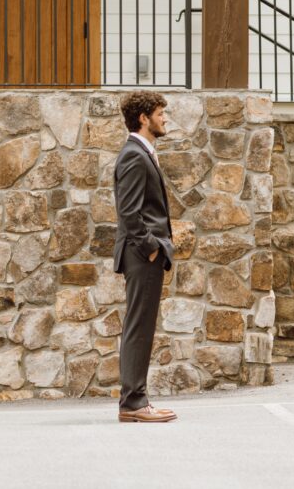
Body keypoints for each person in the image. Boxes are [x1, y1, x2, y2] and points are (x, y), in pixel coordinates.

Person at [113, 91, 177, 423]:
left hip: (143, 254)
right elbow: (129, 213)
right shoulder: (135, 155)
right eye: (160, 113)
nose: (164, 118)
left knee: (141, 326)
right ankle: (134, 403)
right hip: (142, 255)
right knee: (139, 327)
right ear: (144, 118)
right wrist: (152, 247)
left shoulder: (141, 153)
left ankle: (136, 399)